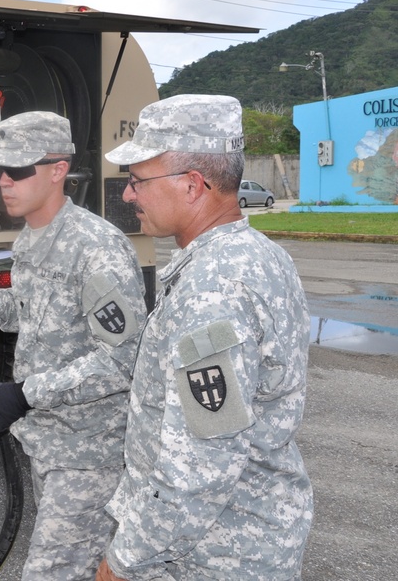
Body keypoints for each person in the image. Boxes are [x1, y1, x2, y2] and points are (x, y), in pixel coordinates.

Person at [96, 94, 313, 581]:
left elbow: (201, 461)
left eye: (137, 181)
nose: (129, 195)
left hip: (212, 556)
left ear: (193, 185)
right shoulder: (258, 254)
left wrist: (125, 560)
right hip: (238, 541)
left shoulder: (213, 289)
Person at [0, 110, 147, 580]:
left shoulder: (97, 249)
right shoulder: (32, 237)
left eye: (18, 170)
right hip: (49, 442)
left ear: (58, 170)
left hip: (89, 452)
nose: (4, 182)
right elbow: (34, 312)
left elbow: (123, 361)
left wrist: (23, 393)